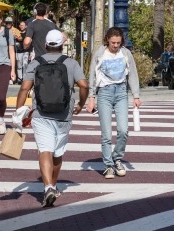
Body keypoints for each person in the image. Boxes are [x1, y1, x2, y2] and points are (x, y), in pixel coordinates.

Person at [16, 29, 88, 207]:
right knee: (57, 153)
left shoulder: (36, 63)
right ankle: (52, 185)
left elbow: (25, 88)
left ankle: (48, 186)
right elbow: (84, 85)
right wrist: (80, 103)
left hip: (41, 114)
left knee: (44, 150)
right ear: (62, 45)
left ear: (46, 45)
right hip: (64, 115)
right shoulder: (71, 63)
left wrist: (19, 110)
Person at [86, 27, 141, 179]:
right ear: (107, 40)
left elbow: (133, 74)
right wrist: (92, 97)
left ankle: (117, 158)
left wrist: (136, 95)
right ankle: (108, 165)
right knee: (107, 134)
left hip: (121, 92)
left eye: (118, 42)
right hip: (104, 93)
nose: (115, 45)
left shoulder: (126, 53)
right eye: (113, 42)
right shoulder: (100, 53)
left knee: (123, 130)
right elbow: (92, 75)